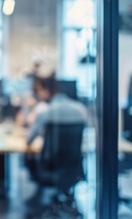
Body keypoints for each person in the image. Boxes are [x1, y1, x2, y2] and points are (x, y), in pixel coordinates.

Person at [24, 76, 88, 204]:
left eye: (41, 90)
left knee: (29, 156)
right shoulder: (80, 109)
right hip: (74, 166)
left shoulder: (47, 112)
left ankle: (41, 193)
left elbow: (29, 139)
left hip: (49, 165)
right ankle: (66, 196)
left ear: (48, 91)